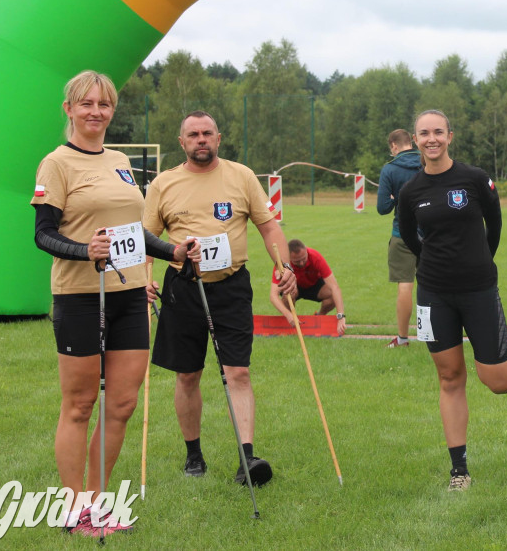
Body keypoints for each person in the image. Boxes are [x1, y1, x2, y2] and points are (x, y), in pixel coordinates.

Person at [31, 70, 198, 536]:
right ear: (69, 109)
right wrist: (84, 250)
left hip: (129, 295)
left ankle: (98, 504)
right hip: (80, 297)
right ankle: (73, 508)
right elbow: (43, 234)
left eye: (104, 104)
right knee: (80, 404)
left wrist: (174, 252)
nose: (96, 112)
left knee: (122, 403)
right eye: (86, 104)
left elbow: (133, 232)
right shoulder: (56, 164)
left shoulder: (121, 159)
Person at [144, 110, 296, 487]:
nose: (201, 139)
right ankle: (193, 454)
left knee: (238, 371)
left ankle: (247, 458)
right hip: (183, 288)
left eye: (207, 133)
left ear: (218, 137)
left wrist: (284, 267)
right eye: (193, 134)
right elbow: (147, 238)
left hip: (230, 287)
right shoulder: (163, 184)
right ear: (182, 142)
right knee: (187, 374)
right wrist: (143, 279)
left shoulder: (241, 176)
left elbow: (269, 226)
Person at [397, 109, 507, 492]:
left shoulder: (475, 179)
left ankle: (503, 350)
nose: (431, 139)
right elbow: (414, 242)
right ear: (415, 140)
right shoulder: (410, 191)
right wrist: (435, 268)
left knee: (499, 383)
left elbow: (494, 227)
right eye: (423, 133)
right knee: (450, 377)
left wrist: (480, 262)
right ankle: (459, 470)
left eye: (438, 132)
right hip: (432, 294)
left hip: (479, 289)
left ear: (450, 136)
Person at [377, 128, 422, 348]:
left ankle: (403, 339)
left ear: (394, 145)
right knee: (433, 286)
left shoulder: (390, 169)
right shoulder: (427, 162)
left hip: (402, 234)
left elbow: (383, 207)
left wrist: (396, 198)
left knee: (405, 285)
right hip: (432, 234)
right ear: (411, 143)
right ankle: (433, 335)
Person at [268, 238, 346, 335]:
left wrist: (341, 316)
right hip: (294, 288)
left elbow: (335, 287)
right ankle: (291, 320)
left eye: (303, 259)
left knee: (332, 294)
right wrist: (288, 315)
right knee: (289, 292)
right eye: (296, 261)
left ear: (306, 251)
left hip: (314, 285)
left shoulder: (315, 256)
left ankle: (319, 317)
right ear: (289, 257)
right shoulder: (282, 264)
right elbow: (273, 296)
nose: (301, 263)